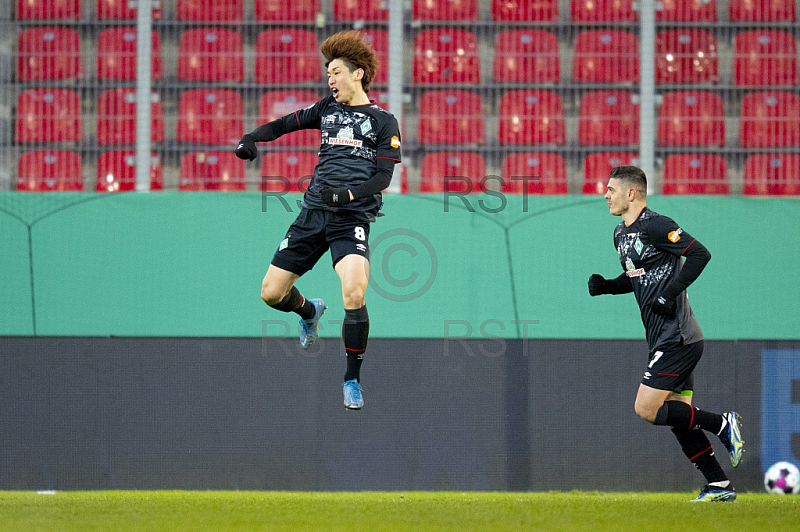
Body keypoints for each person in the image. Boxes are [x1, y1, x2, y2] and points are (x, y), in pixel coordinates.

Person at [234, 30, 402, 410]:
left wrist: (347, 195)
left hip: (351, 218)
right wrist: (251, 138)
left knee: (355, 291)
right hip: (312, 215)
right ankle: (310, 311)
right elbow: (283, 125)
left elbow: (383, 178)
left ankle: (352, 379)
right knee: (271, 294)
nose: (330, 80)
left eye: (337, 72)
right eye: (328, 73)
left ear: (357, 74)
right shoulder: (326, 109)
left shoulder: (383, 121)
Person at [587, 166, 744, 502]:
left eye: (611, 189)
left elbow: (700, 254)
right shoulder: (619, 232)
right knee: (677, 417)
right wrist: (608, 287)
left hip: (679, 337)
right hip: (662, 337)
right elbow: (636, 276)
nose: (605, 194)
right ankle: (719, 485)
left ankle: (722, 424)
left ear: (632, 194)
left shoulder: (657, 224)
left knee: (646, 408)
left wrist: (668, 294)